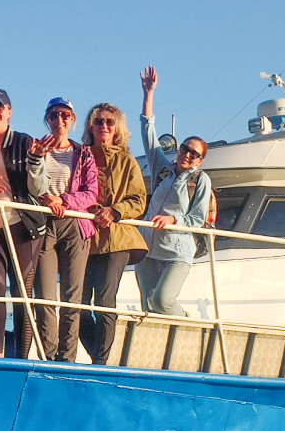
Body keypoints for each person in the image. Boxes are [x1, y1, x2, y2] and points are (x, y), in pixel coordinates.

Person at [0, 89, 49, 359]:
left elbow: (38, 188)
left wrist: (35, 160)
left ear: (9, 111)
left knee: (22, 292)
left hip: (23, 226)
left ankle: (21, 358)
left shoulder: (24, 142)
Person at [137, 65, 212, 316]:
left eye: (194, 154)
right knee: (149, 308)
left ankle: (189, 329)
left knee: (162, 301)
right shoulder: (163, 169)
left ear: (200, 160)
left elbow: (197, 219)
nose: (187, 155)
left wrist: (172, 219)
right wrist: (149, 94)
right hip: (148, 249)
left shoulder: (200, 180)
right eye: (184, 149)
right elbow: (148, 135)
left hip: (176, 252)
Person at [29, 97, 99, 362]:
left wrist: (64, 201)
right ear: (47, 119)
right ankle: (47, 356)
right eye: (54, 115)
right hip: (43, 224)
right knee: (46, 296)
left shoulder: (84, 153)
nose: (59, 120)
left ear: (73, 120)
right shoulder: (36, 148)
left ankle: (66, 359)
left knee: (72, 297)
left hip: (74, 224)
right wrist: (47, 200)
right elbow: (29, 185)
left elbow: (92, 193)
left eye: (65, 115)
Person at [79, 103, 147, 364]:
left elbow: (139, 200)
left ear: (117, 128)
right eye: (98, 122)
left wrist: (116, 211)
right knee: (78, 303)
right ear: (90, 126)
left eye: (109, 122)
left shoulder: (127, 161)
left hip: (118, 239)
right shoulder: (81, 157)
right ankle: (97, 355)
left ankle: (100, 362)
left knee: (106, 298)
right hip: (85, 237)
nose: (103, 127)